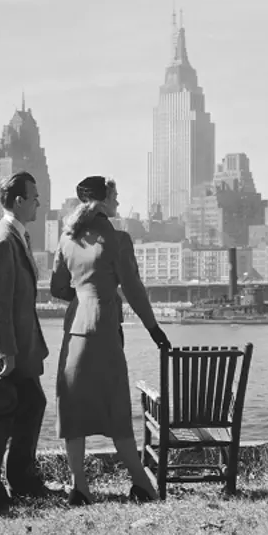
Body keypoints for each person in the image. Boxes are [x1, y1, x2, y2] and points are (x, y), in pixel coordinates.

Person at [51, 176, 171, 505]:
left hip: (74, 330)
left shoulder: (68, 237)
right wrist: (153, 329)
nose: (118, 200)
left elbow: (56, 287)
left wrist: (82, 296)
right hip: (103, 330)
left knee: (72, 408)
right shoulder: (118, 239)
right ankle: (143, 484)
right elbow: (133, 289)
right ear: (104, 200)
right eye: (115, 195)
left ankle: (79, 487)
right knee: (115, 408)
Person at [0, 171, 51, 513]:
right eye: (34, 198)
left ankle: (19, 480)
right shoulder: (3, 240)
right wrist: (5, 353)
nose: (38, 204)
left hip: (17, 348)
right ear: (19, 201)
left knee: (30, 405)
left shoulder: (15, 237)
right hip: (7, 353)